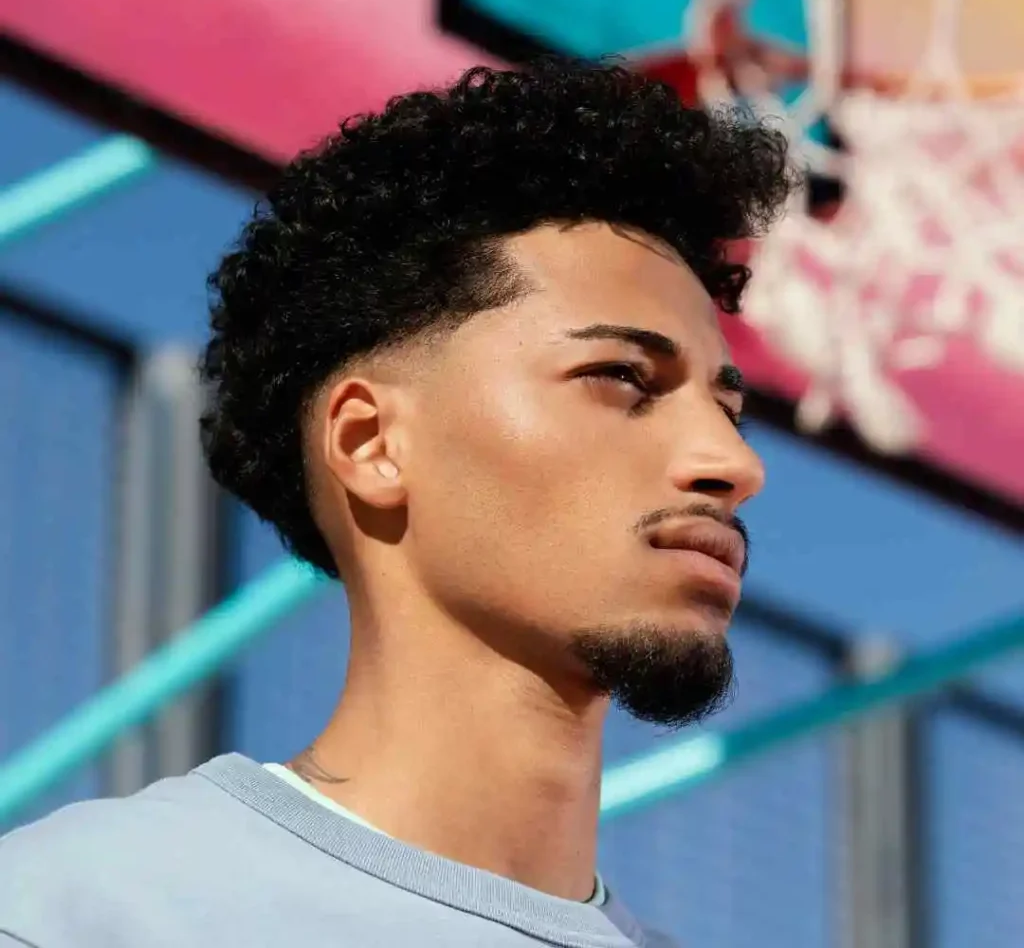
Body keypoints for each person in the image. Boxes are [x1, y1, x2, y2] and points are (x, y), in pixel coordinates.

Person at [0, 59, 792, 947]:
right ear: (371, 444)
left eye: (728, 410)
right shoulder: (79, 916)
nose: (732, 462)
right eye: (621, 377)